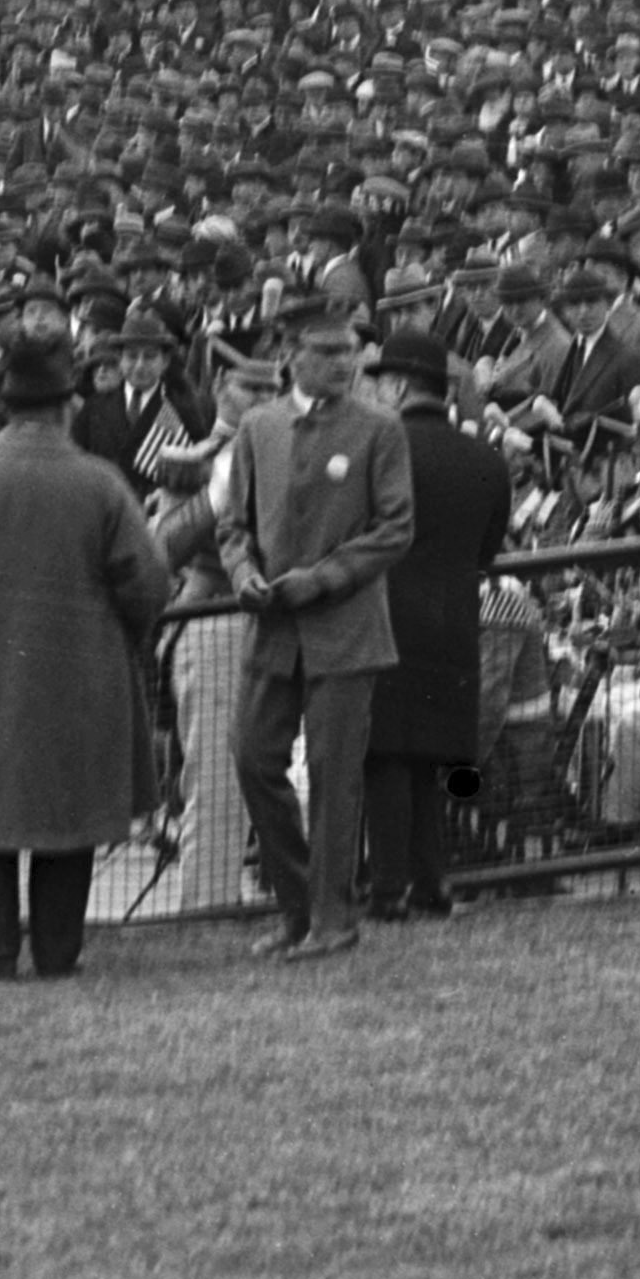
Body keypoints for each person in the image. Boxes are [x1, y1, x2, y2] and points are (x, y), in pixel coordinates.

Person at [0, 315, 171, 981]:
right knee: (69, 821)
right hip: (82, 671)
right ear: (67, 405)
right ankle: (57, 952)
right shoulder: (101, 482)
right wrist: (127, 640)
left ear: (5, 409)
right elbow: (149, 580)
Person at [224, 291, 416, 963]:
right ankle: (297, 904)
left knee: (336, 778)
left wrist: (324, 578)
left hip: (346, 629)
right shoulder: (260, 427)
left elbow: (395, 529)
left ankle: (333, 921)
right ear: (288, 356)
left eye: (351, 351)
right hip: (273, 630)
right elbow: (234, 526)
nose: (345, 363)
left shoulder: (379, 428)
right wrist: (242, 570)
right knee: (251, 755)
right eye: (328, 351)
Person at [362, 327, 518, 924]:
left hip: (385, 620)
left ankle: (387, 889)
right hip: (454, 625)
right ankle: (431, 884)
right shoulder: (486, 459)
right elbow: (487, 551)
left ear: (399, 385)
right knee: (430, 763)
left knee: (385, 760)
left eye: (380, 383)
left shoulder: (381, 447)